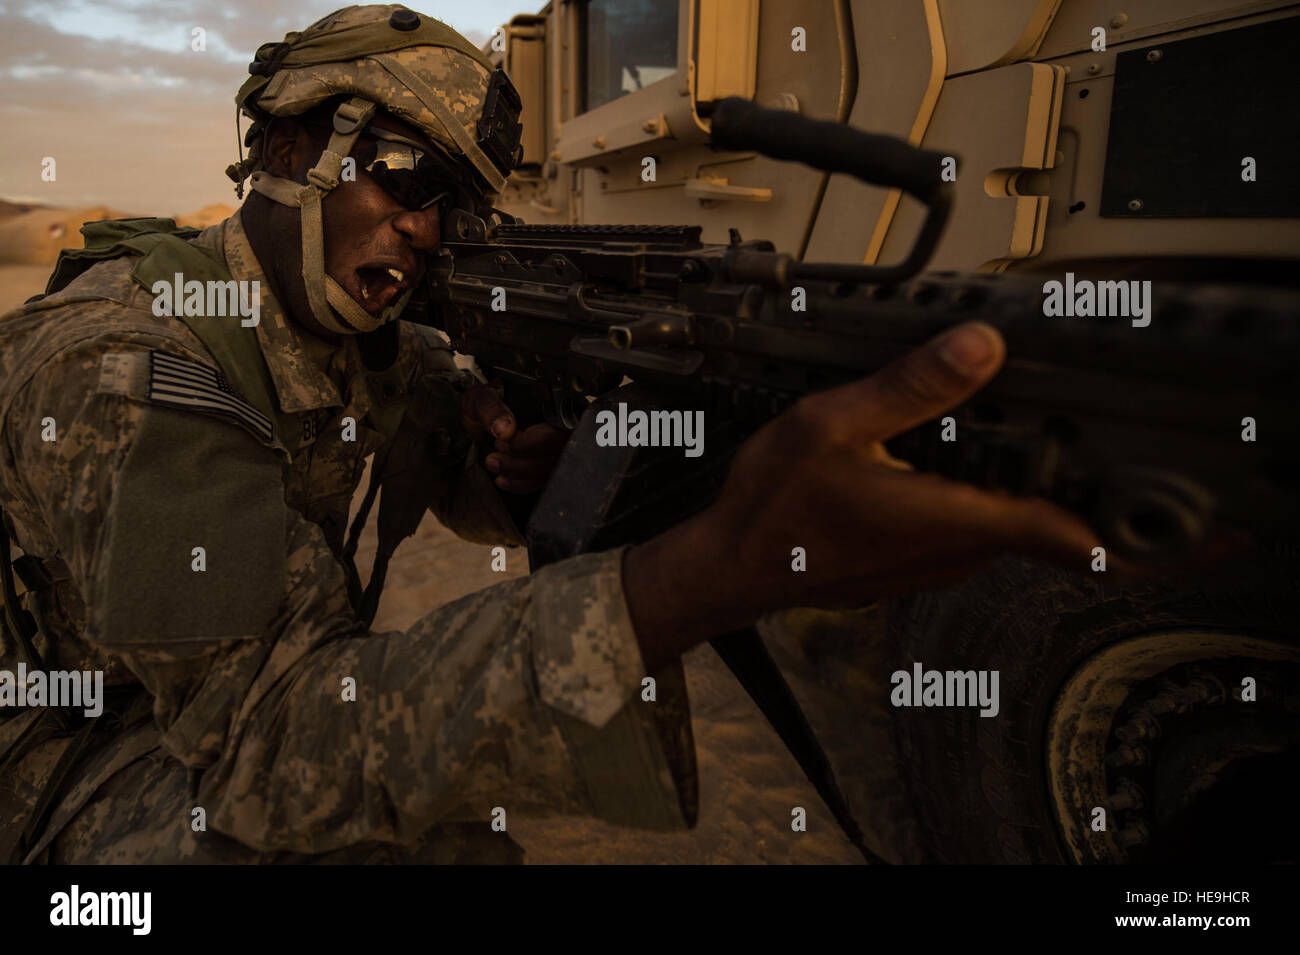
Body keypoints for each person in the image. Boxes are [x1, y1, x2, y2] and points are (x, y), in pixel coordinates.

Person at [0, 5, 1100, 864]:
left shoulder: (351, 327)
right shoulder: (129, 372)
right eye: (405, 177)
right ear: (292, 145)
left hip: (168, 696)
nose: (427, 230)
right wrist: (710, 574)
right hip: (56, 741)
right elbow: (271, 740)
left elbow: (456, 437)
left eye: (459, 209)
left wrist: (531, 451)